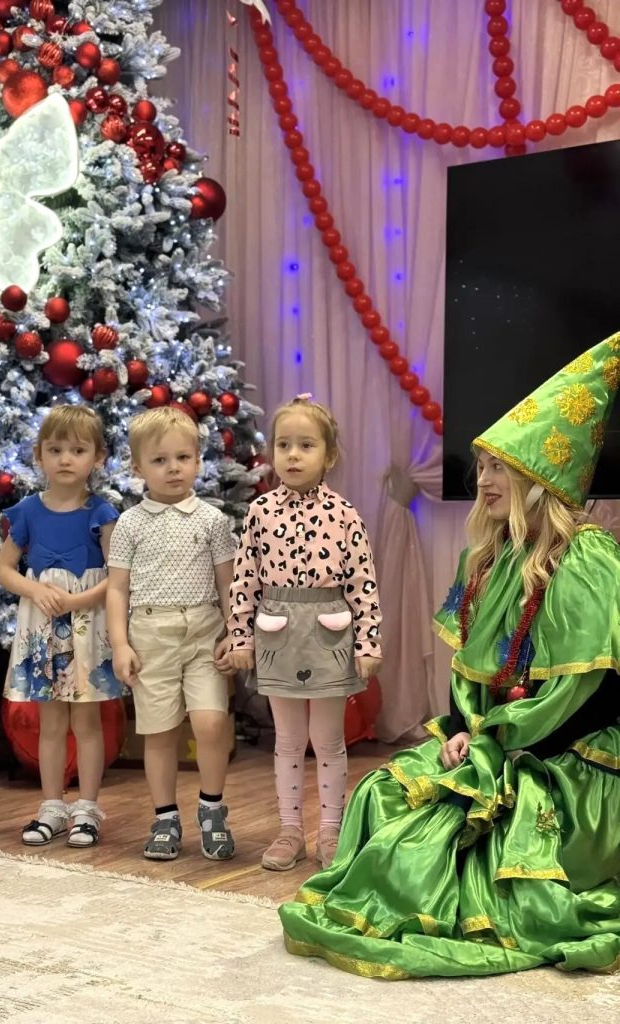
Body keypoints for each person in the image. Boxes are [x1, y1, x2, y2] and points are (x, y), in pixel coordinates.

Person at [280, 336, 620, 978]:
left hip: (567, 754)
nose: (481, 480)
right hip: (500, 738)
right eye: (481, 466)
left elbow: (587, 694)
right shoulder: (484, 561)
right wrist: (463, 728)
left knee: (461, 840)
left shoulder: (587, 560)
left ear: (538, 478)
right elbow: (470, 672)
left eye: (499, 468)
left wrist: (500, 745)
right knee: (383, 792)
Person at [228, 396, 382, 872]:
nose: (293, 455)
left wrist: (368, 642)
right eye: (283, 445)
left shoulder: (345, 514)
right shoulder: (259, 512)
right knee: (289, 739)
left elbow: (363, 584)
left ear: (328, 455)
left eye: (306, 445)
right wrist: (240, 637)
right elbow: (244, 580)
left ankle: (330, 830)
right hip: (277, 636)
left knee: (328, 739)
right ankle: (290, 830)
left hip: (328, 636)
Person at [106, 406, 236, 861]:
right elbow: (117, 589)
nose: (173, 468)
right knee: (159, 732)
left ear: (198, 461)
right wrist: (120, 644)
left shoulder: (212, 520)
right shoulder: (129, 523)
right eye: (160, 460)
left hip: (204, 633)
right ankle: (165, 817)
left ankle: (212, 809)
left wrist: (234, 632)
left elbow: (228, 584)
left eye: (183, 458)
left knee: (211, 723)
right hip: (150, 636)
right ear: (138, 467)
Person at [0, 406, 122, 848]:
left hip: (87, 624)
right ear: (39, 455)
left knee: (86, 721)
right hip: (43, 626)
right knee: (50, 722)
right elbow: (4, 569)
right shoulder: (28, 511)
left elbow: (117, 575)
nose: (65, 458)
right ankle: (51, 805)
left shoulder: (101, 512)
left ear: (98, 457)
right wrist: (34, 590)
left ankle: (86, 808)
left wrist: (77, 601)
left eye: (77, 450)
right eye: (55, 450)